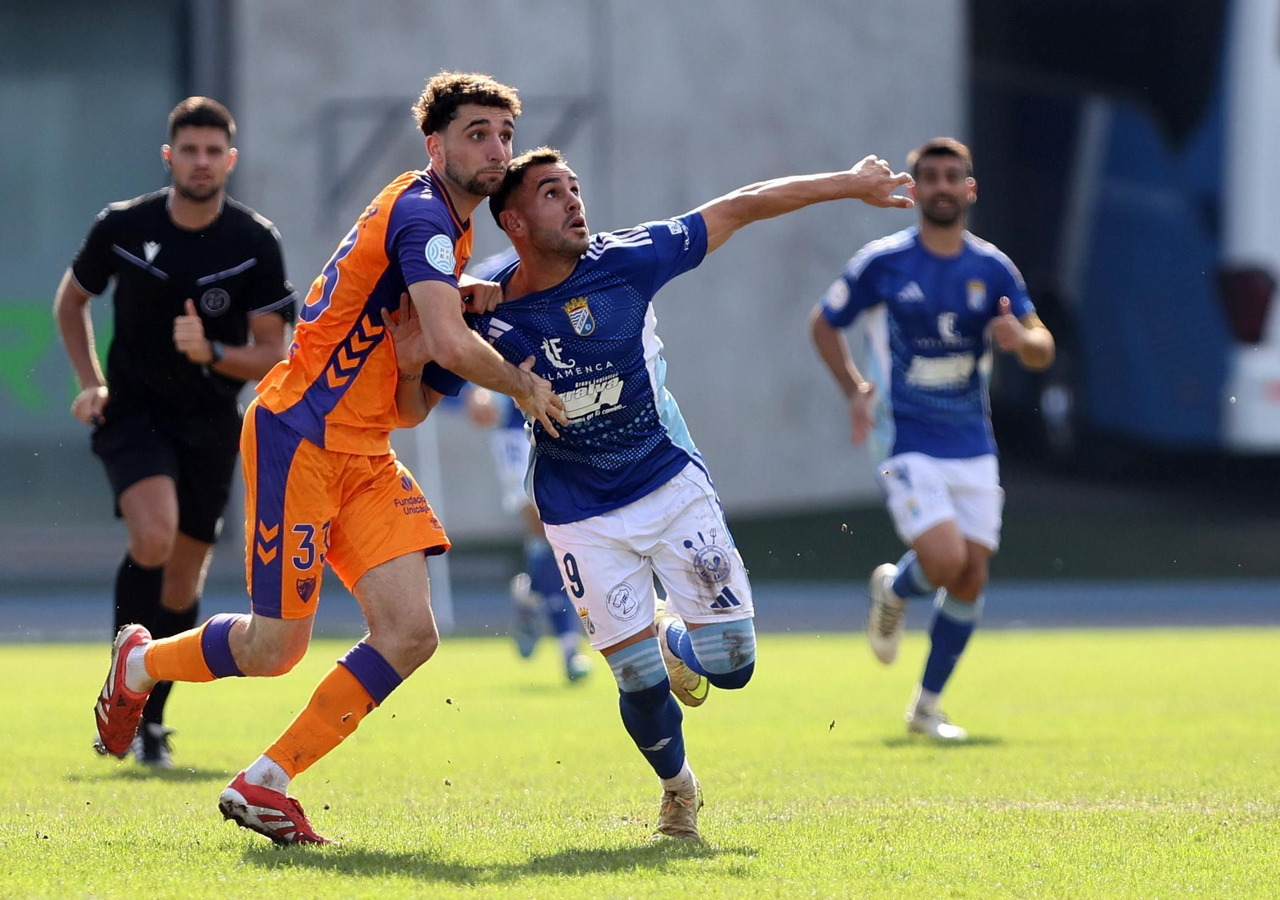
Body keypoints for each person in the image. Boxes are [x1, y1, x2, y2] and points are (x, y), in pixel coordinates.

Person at [89, 72, 565, 844]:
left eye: (503, 135)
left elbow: (413, 398)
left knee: (412, 631)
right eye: (477, 133)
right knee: (276, 649)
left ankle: (265, 781)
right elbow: (450, 339)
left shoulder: (453, 233)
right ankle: (140, 663)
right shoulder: (423, 214)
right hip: (298, 439)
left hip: (365, 452)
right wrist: (521, 385)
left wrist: (418, 363)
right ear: (434, 144)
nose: (495, 148)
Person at [393, 146, 912, 840]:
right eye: (553, 193)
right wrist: (413, 350)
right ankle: (679, 791)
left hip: (668, 482)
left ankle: (673, 638)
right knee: (635, 681)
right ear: (512, 221)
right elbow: (412, 403)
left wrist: (848, 185)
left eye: (576, 188)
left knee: (731, 667)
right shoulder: (482, 311)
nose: (575, 201)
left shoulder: (627, 260)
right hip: (577, 510)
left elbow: (742, 202)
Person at [55, 97, 295, 768]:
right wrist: (90, 382)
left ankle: (147, 713)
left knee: (183, 579)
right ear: (170, 157)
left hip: (212, 422)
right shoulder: (124, 226)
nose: (201, 162)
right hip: (131, 414)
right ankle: (120, 709)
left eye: (213, 151)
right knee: (153, 536)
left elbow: (275, 351)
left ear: (230, 160)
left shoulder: (253, 242)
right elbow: (71, 301)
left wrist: (211, 354)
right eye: (189, 150)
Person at [809, 137, 1055, 742]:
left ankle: (927, 707)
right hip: (905, 437)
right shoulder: (882, 263)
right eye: (931, 178)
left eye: (954, 177)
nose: (943, 187)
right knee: (946, 562)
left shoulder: (992, 268)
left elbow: (1043, 346)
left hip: (972, 442)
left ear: (970, 189)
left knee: (971, 577)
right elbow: (823, 323)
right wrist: (855, 388)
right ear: (913, 190)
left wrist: (1020, 342)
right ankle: (896, 589)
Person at [462, 250, 592, 683]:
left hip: (570, 416)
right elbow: (457, 334)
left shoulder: (584, 268)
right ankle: (572, 649)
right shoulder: (489, 277)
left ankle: (532, 595)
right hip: (515, 426)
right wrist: (473, 391)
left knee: (566, 532)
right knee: (546, 525)